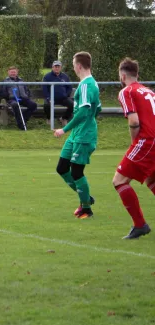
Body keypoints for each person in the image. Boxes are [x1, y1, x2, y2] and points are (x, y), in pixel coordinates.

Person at [53, 51, 101, 219]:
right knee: (62, 168)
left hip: (83, 136)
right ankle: (85, 197)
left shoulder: (87, 84)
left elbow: (84, 111)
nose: (73, 68)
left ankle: (86, 208)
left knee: (77, 172)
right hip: (77, 134)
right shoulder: (88, 83)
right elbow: (98, 109)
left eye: (74, 65)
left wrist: (64, 129)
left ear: (79, 66)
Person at [112, 57, 155, 239]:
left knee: (119, 181)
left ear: (122, 76)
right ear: (137, 74)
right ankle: (139, 226)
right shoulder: (149, 91)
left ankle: (140, 225)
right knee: (152, 181)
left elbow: (134, 120)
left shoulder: (126, 91)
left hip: (147, 140)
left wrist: (133, 143)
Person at [0, 66, 37, 130]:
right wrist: (8, 95)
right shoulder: (5, 81)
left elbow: (27, 90)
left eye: (14, 72)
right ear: (8, 72)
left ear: (17, 72)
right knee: (15, 105)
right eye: (11, 72)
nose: (13, 73)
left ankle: (23, 118)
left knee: (33, 105)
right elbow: (1, 93)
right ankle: (21, 125)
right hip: (12, 99)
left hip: (23, 99)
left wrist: (27, 96)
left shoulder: (21, 80)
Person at [42, 60, 73, 126]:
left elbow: (69, 87)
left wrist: (66, 95)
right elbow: (44, 89)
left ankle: (64, 118)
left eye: (58, 67)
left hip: (63, 98)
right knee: (46, 105)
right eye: (55, 67)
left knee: (72, 104)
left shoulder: (65, 76)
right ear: (52, 67)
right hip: (51, 98)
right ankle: (49, 118)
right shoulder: (47, 77)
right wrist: (48, 98)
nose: (57, 68)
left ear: (61, 68)